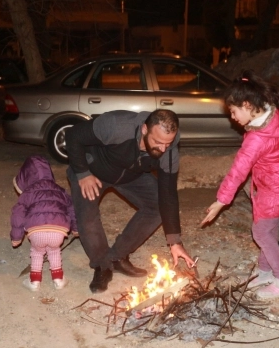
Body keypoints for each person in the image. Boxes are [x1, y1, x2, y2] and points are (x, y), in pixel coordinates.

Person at [200, 71, 279, 299]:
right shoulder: (277, 114)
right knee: (269, 229)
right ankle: (266, 272)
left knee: (261, 233)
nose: (233, 117)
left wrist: (221, 201)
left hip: (274, 189)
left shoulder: (258, 137)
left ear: (247, 105)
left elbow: (239, 170)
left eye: (234, 111)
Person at [65, 109, 194, 293]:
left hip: (130, 176)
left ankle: (117, 257)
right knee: (87, 217)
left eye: (168, 143)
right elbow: (73, 135)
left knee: (157, 206)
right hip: (93, 170)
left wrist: (175, 241)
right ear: (144, 129)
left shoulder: (168, 150)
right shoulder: (116, 125)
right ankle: (103, 265)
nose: (163, 149)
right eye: (157, 142)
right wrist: (82, 172)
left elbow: (168, 194)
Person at [11, 155, 78, 291]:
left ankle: (34, 282)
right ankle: (58, 279)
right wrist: (76, 228)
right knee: (54, 251)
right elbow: (72, 209)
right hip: (58, 231)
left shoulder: (28, 192)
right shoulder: (60, 190)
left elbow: (18, 214)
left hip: (37, 231)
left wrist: (16, 237)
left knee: (37, 252)